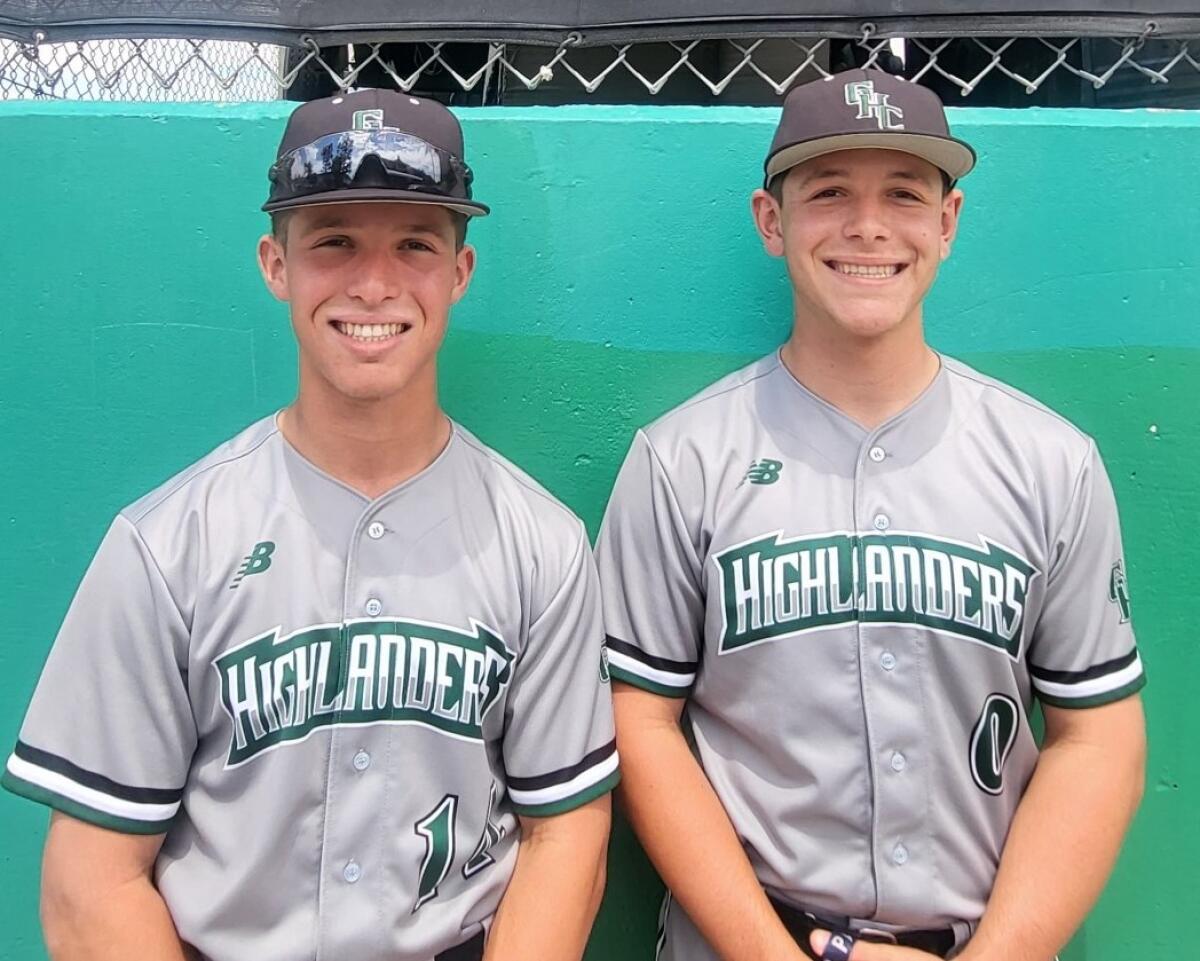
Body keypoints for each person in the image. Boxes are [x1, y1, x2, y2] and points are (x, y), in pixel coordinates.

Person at [3, 89, 618, 961]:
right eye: (334, 242)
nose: (374, 283)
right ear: (275, 264)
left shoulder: (542, 543)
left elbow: (567, 836)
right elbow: (89, 879)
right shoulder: (166, 543)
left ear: (460, 272)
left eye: (414, 244)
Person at [595, 68, 1145, 961]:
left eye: (903, 192)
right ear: (771, 222)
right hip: (745, 939)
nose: (868, 227)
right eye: (829, 193)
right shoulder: (682, 460)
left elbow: (1098, 730)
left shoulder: (1052, 461)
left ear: (948, 222)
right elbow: (641, 723)